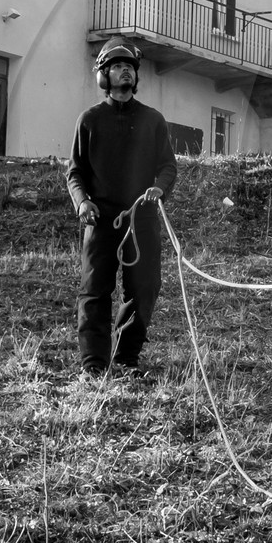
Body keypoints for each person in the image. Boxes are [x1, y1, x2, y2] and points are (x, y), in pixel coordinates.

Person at [66, 38, 178, 375]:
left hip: (141, 219)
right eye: (116, 66)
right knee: (94, 293)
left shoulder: (152, 120)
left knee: (143, 290)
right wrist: (82, 202)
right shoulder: (89, 120)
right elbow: (74, 172)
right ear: (103, 75)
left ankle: (126, 358)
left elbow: (168, 166)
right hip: (99, 222)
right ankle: (94, 364)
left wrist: (159, 188)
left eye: (129, 66)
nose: (124, 70)